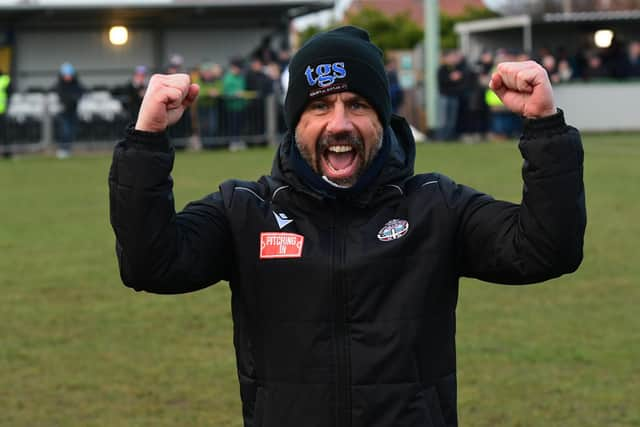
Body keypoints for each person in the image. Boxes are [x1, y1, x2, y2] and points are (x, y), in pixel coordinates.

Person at [109, 26, 586, 427]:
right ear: (296, 122)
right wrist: (147, 139)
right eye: (319, 106)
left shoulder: (434, 206)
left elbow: (546, 249)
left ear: (382, 117)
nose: (339, 123)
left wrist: (544, 127)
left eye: (357, 105)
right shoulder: (246, 210)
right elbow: (151, 264)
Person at [53, 62, 84, 159]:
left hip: (73, 111)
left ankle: (68, 149)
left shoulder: (76, 84)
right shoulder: (59, 86)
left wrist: (75, 98)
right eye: (66, 75)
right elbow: (60, 96)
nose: (68, 77)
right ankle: (62, 149)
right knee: (65, 130)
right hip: (63, 112)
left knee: (72, 131)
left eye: (69, 75)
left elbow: (81, 92)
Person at [0, 68, 11, 158]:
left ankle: (7, 153)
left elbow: (10, 92)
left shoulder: (5, 79)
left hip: (2, 110)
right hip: (2, 110)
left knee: (4, 133)